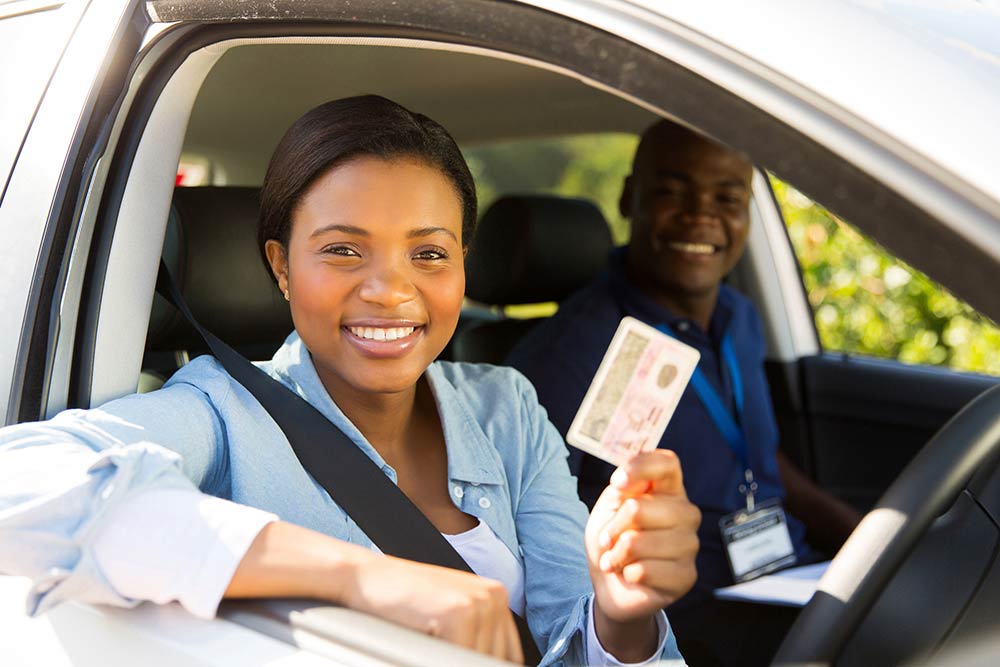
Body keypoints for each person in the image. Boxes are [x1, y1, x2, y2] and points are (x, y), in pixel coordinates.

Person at [0, 96, 703, 666]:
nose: (390, 291)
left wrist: (620, 615)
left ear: (464, 264)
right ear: (280, 267)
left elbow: (570, 646)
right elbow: (18, 486)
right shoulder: (221, 409)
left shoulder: (504, 407)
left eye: (428, 252)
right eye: (342, 249)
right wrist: (360, 577)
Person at [507, 119, 861, 666]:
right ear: (631, 198)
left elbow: (758, 455)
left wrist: (860, 534)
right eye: (673, 192)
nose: (701, 215)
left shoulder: (739, 318)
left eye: (727, 197)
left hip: (785, 576)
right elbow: (542, 526)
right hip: (685, 615)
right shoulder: (572, 352)